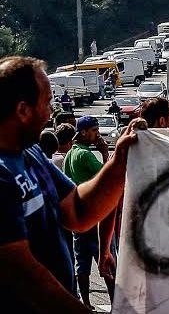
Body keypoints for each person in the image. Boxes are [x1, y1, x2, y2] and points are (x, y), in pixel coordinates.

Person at [0, 55, 141, 313]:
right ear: (22, 110)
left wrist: (120, 161)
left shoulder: (31, 153)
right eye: (47, 103)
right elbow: (21, 275)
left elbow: (78, 210)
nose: (51, 113)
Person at [63, 116, 116, 308]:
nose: (97, 133)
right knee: (107, 261)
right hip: (94, 218)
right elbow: (107, 178)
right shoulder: (85, 155)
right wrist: (104, 153)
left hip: (79, 218)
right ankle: (115, 304)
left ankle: (86, 303)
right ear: (83, 132)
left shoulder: (70, 154)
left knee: (82, 263)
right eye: (94, 130)